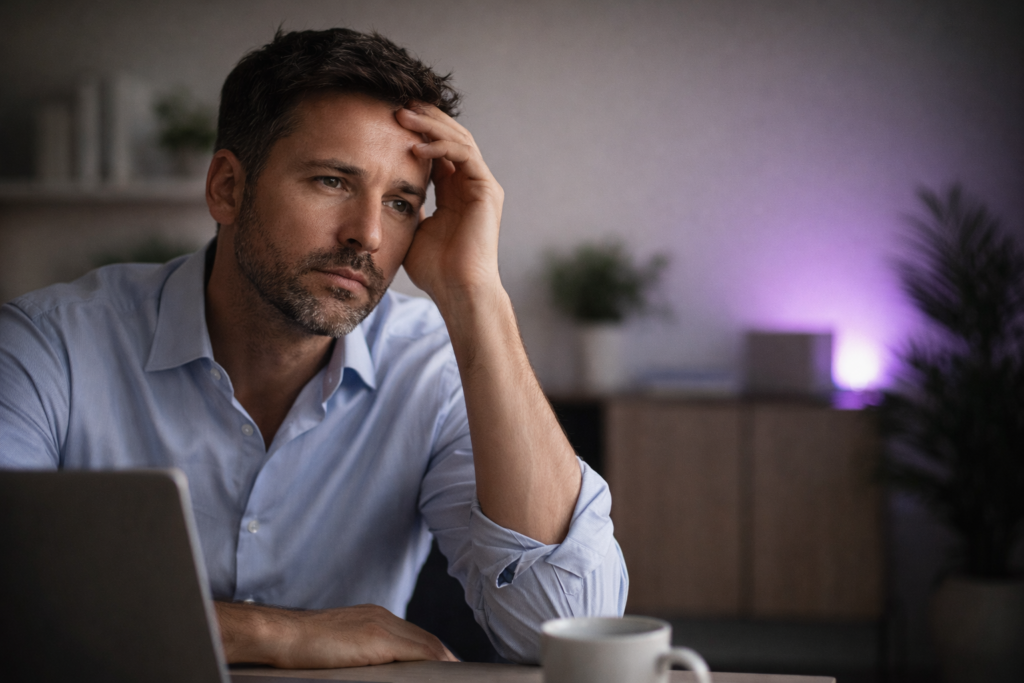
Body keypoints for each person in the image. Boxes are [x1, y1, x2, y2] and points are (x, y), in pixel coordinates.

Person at [0, 28, 627, 667]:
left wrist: (478, 295)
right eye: (332, 181)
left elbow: (568, 628)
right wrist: (279, 635)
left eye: (401, 203)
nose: (368, 235)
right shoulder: (48, 347)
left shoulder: (431, 369)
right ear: (226, 188)